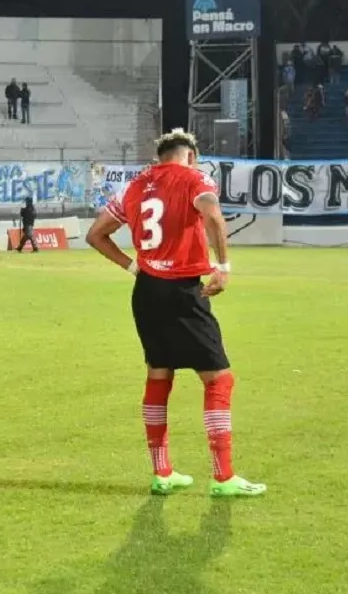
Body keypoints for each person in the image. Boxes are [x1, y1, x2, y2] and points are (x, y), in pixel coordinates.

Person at [84, 128, 266, 498]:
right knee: (218, 380)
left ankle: (162, 473)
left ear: (160, 156)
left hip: (147, 290)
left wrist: (133, 267)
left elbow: (96, 235)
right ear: (191, 156)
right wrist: (224, 267)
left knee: (158, 375)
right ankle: (223, 476)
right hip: (184, 289)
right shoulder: (195, 178)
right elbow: (213, 217)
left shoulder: (135, 186)